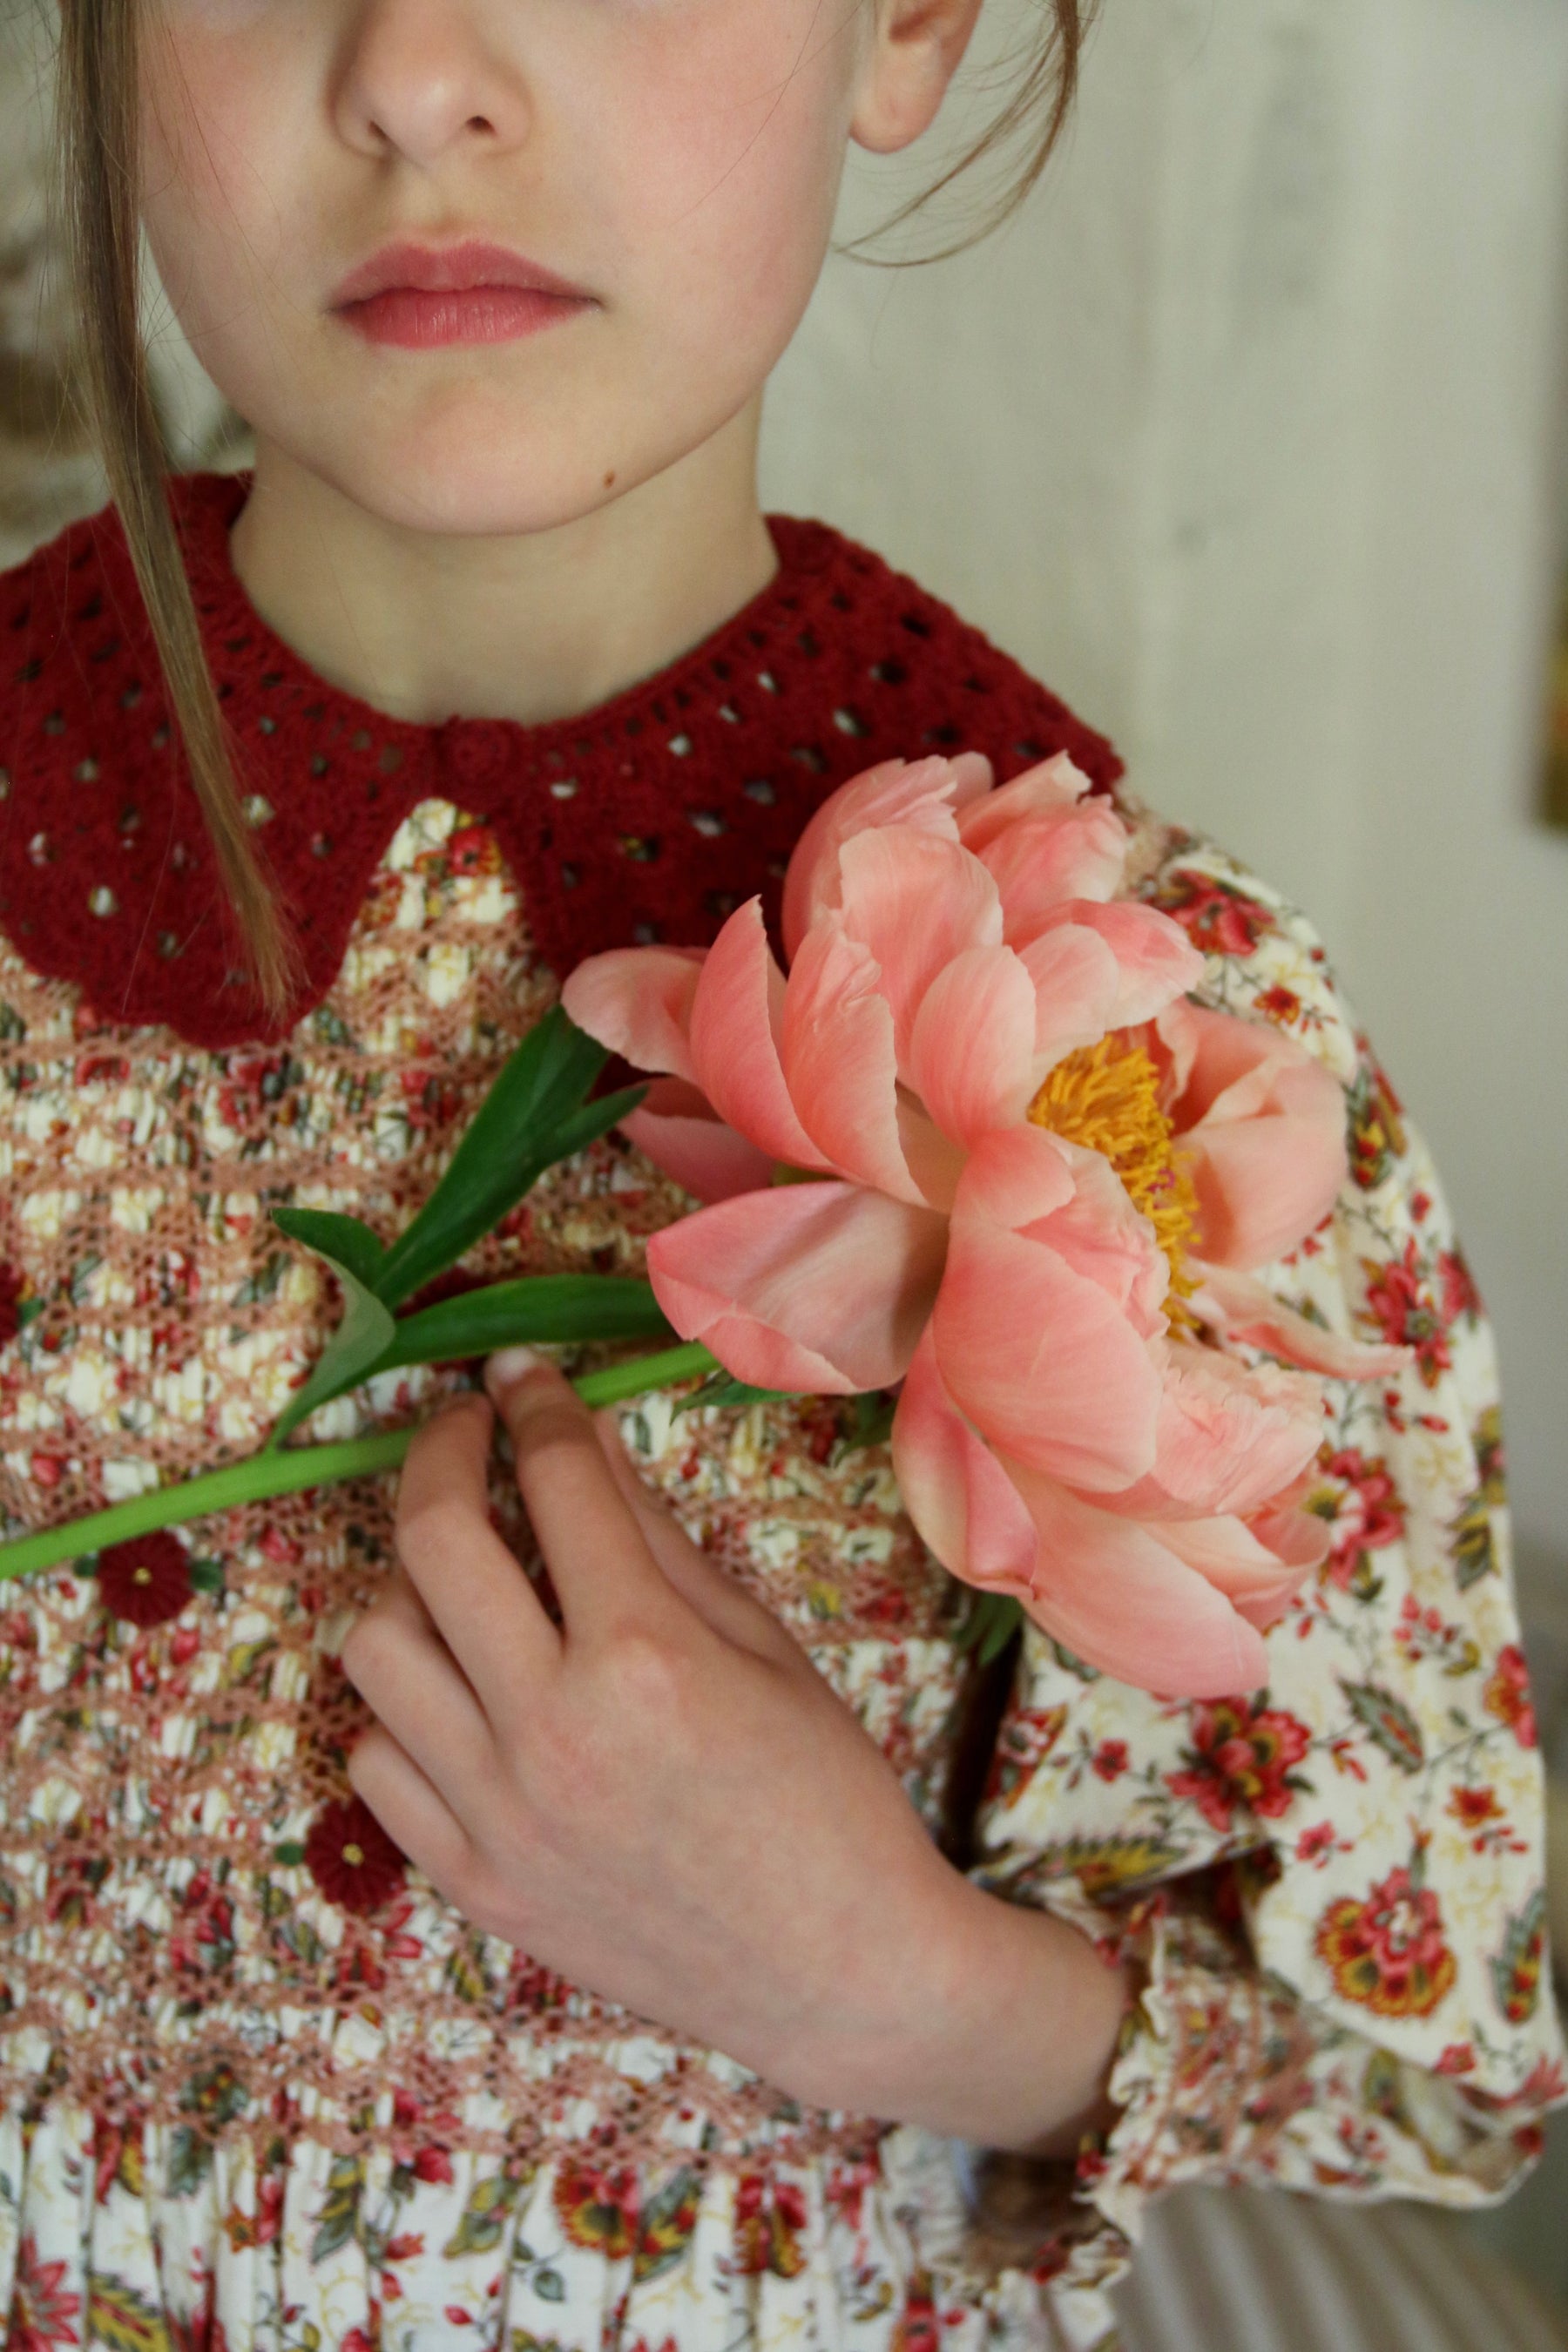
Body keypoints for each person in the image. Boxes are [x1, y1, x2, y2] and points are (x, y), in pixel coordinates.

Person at [0, 1, 1558, 2346]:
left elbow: (1422, 2079)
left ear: (908, 21)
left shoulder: (1183, 1060)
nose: (419, 67)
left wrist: (902, 1986)